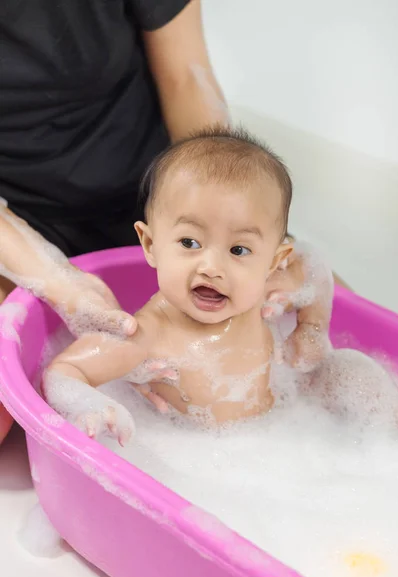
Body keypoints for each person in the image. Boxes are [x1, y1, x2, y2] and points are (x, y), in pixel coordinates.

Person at [0, 0, 229, 443]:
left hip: (160, 200)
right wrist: (57, 280)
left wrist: (218, 228)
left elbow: (187, 76)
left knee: (304, 326)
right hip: (16, 228)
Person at [42, 127, 334, 444]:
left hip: (281, 433)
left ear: (274, 261)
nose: (211, 267)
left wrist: (312, 328)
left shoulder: (260, 293)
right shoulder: (149, 334)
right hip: (200, 453)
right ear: (151, 244)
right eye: (190, 242)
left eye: (239, 250)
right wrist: (90, 405)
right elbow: (65, 371)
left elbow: (311, 270)